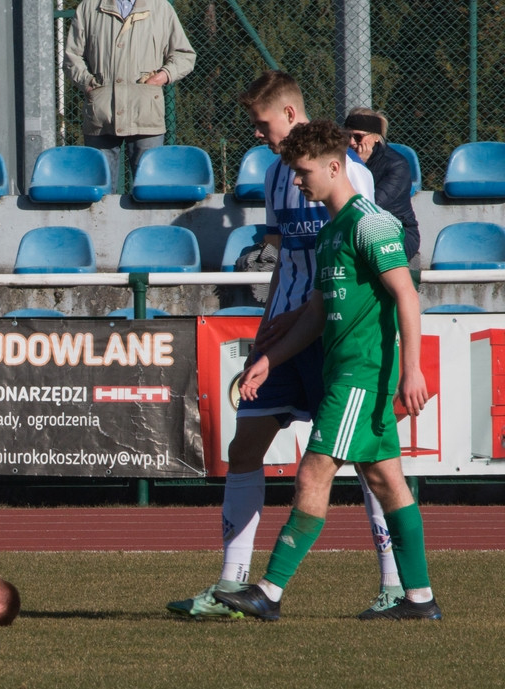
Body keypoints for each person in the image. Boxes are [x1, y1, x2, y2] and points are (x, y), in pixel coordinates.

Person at [166, 71, 400, 620]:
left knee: (369, 464)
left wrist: (306, 318)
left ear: (291, 115)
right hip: (284, 331)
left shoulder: (351, 177)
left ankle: (394, 585)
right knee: (244, 447)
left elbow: (358, 266)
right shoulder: (278, 176)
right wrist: (268, 324)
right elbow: (285, 257)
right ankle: (231, 587)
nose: (257, 133)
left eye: (262, 123)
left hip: (331, 333)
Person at [213, 119, 441, 621]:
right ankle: (420, 600)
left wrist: (412, 369)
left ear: (335, 167)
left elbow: (406, 294)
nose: (297, 182)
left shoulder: (371, 222)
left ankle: (268, 592)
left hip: (362, 374)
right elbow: (316, 313)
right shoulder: (333, 232)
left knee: (313, 472)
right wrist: (268, 360)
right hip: (347, 372)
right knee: (387, 482)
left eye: (304, 171)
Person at [63, 0, 196, 192]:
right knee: (98, 193)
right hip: (101, 113)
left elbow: (184, 55)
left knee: (151, 191)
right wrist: (89, 84)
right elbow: (71, 57)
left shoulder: (160, 8)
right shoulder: (89, 7)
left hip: (146, 112)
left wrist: (161, 77)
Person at [343, 107, 421, 268]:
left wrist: (359, 166)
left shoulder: (396, 165)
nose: (351, 142)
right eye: (347, 136)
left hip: (397, 230)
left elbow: (369, 206)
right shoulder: (343, 160)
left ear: (376, 138)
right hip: (357, 229)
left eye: (358, 137)